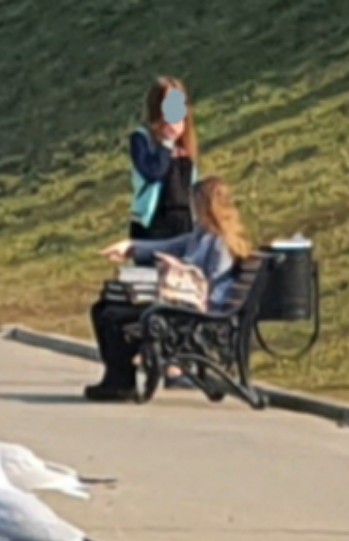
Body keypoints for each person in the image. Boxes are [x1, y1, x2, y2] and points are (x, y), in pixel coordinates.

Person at [85, 177, 253, 402]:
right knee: (103, 307)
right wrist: (130, 248)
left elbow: (214, 286)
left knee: (114, 316)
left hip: (198, 311)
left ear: (206, 205)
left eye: (195, 203)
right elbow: (167, 246)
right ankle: (116, 379)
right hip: (181, 303)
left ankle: (121, 382)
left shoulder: (220, 242)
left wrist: (184, 274)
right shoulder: (201, 235)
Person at [129, 76, 199, 240]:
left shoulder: (185, 145)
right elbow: (153, 173)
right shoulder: (141, 139)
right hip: (152, 222)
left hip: (183, 224)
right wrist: (167, 143)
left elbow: (192, 186)